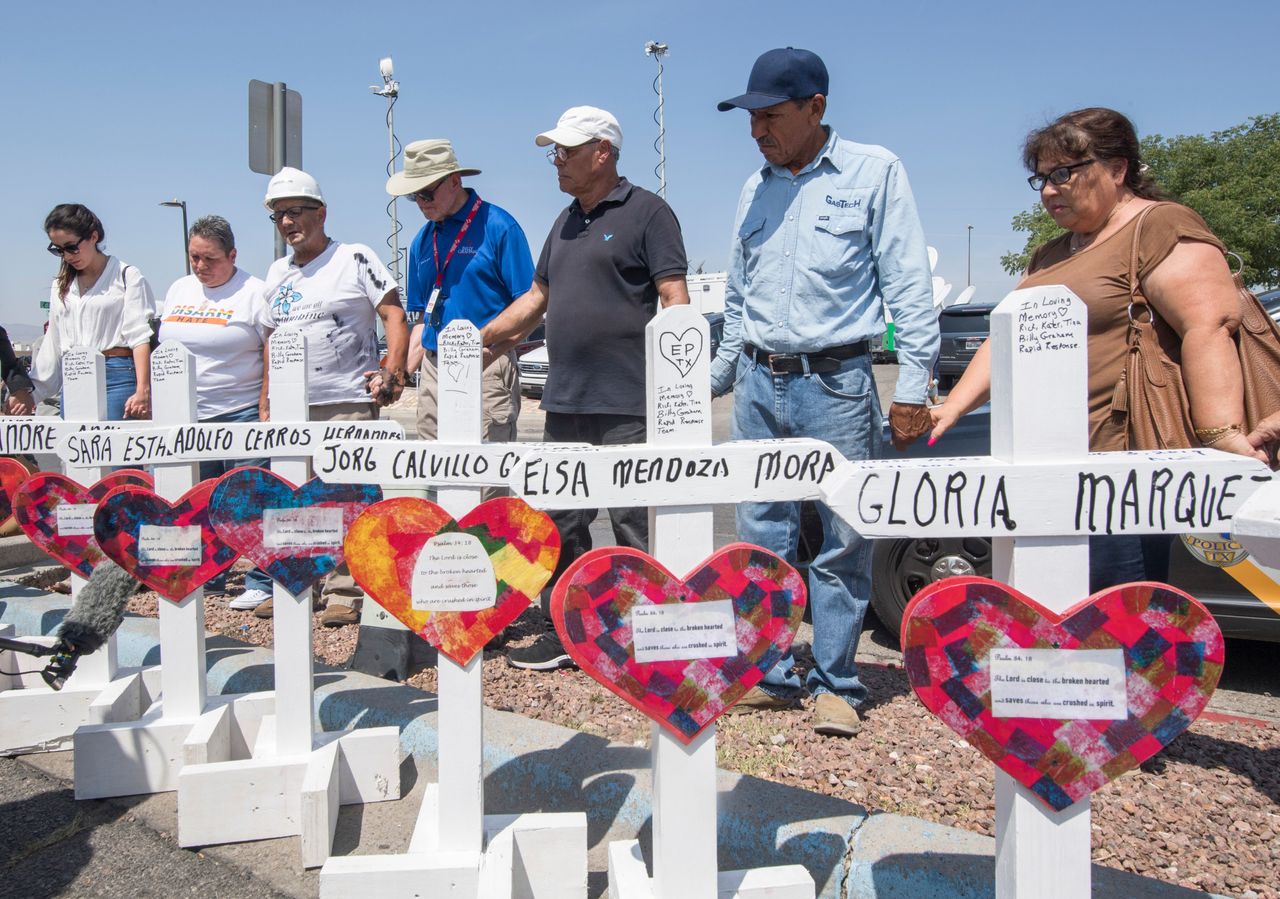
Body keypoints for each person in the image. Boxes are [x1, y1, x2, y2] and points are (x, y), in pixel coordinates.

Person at [931, 106, 1266, 591]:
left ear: (1117, 168)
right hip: (1051, 468)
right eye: (1041, 178)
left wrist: (1221, 434)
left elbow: (1209, 325)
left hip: (1124, 476)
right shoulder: (1051, 252)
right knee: (1054, 616)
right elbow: (1007, 338)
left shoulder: (1158, 225)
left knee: (1118, 627)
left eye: (1064, 173)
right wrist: (952, 408)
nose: (1049, 190)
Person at [712, 48, 939, 737]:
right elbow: (737, 296)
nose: (757, 132)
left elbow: (908, 288)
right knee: (762, 535)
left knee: (842, 538)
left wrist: (914, 385)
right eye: (751, 119)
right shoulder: (756, 188)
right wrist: (709, 383)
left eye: (770, 117)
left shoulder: (875, 172)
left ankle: (839, 681)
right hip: (757, 381)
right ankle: (772, 673)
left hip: (837, 383)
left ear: (816, 108)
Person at [481, 106, 691, 670]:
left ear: (603, 151)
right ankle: (569, 629)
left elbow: (675, 299)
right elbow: (537, 299)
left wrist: (680, 388)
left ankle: (644, 638)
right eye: (554, 150)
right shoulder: (564, 221)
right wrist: (485, 341)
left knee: (632, 522)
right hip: (565, 401)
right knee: (564, 520)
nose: (557, 160)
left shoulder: (650, 213)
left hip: (628, 399)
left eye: (567, 150)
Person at [257, 167, 410, 626]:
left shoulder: (354, 257)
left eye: (296, 212)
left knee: (348, 499)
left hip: (345, 400)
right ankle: (300, 583)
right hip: (290, 407)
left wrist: (392, 372)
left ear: (321, 213)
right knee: (295, 501)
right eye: (278, 215)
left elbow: (393, 314)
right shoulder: (276, 273)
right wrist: (265, 401)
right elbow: (270, 339)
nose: (287, 223)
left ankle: (347, 591)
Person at [386, 139, 533, 453]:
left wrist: (495, 352)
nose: (421, 202)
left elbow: (531, 308)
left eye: (427, 192)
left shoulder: (499, 227)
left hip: (487, 363)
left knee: (487, 472)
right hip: (434, 366)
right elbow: (423, 322)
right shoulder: (421, 242)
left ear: (455, 181)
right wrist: (401, 374)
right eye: (414, 195)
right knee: (433, 464)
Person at [157, 215, 275, 606]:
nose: (201, 266)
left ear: (232, 255)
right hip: (189, 414)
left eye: (210, 259)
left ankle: (261, 578)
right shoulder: (179, 289)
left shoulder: (254, 292)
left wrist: (265, 399)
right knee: (197, 500)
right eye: (194, 257)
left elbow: (270, 347)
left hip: (240, 409)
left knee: (250, 498)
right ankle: (208, 572)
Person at [15, 204, 156, 420]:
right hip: (74, 377)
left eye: (71, 247)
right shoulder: (61, 285)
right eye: (58, 250)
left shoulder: (127, 276)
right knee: (74, 451)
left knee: (111, 450)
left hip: (117, 376)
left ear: (93, 236)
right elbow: (53, 343)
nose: (67, 256)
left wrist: (143, 390)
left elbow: (139, 336)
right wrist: (30, 393)